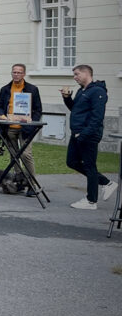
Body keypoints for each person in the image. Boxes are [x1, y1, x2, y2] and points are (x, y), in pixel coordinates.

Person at [62, 65, 115, 209]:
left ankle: (91, 201)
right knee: (72, 162)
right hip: (77, 133)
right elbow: (76, 109)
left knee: (90, 166)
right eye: (74, 74)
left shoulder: (98, 91)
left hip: (88, 135)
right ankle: (106, 183)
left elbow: (97, 117)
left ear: (87, 73)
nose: (75, 77)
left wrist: (84, 134)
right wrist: (67, 98)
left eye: (77, 74)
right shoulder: (81, 90)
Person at [0, 63, 44, 195]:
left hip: (25, 128)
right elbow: (0, 106)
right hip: (9, 127)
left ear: (24, 74)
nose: (16, 74)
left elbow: (38, 110)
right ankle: (19, 182)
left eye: (19, 72)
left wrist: (31, 122)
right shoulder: (5, 89)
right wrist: (1, 115)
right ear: (11, 73)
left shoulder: (32, 89)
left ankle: (32, 184)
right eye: (14, 72)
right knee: (14, 156)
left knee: (26, 154)